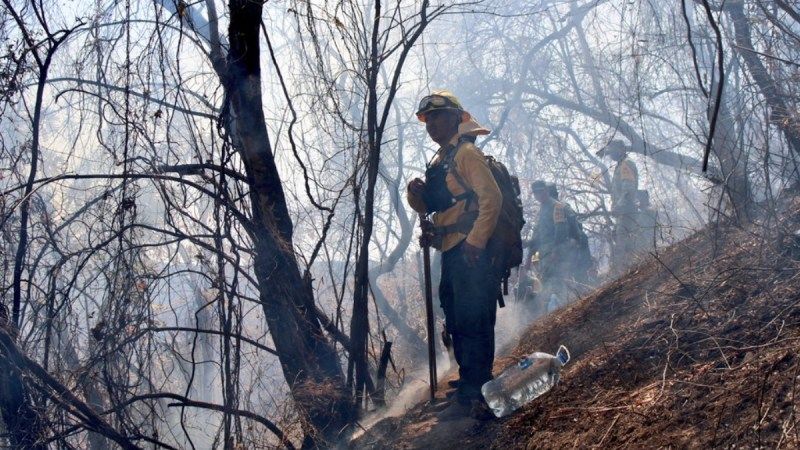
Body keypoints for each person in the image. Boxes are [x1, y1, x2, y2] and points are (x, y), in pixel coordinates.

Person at [406, 90, 502, 420]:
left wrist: (476, 241)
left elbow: (492, 199)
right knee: (456, 318)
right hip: (449, 250)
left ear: (456, 118)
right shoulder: (440, 160)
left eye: (437, 117)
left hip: (470, 249)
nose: (431, 124)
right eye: (427, 119)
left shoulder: (466, 155)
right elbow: (431, 208)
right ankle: (467, 385)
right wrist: (414, 194)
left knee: (474, 317)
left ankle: (479, 389)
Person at [528, 180, 575, 313]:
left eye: (541, 192)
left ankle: (563, 312)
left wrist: (556, 252)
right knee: (547, 285)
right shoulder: (542, 210)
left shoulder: (557, 206)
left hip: (555, 254)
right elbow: (538, 237)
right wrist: (529, 257)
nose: (538, 196)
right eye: (536, 193)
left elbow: (560, 232)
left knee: (558, 284)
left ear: (546, 191)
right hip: (545, 256)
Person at [599, 141, 639, 273]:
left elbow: (628, 189)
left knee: (623, 246)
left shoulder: (625, 164)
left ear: (622, 149)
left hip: (627, 212)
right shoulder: (620, 166)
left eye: (614, 150)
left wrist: (618, 206)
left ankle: (628, 273)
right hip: (624, 213)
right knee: (622, 243)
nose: (611, 155)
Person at [635, 189, 658, 255]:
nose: (638, 201)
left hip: (650, 238)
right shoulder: (639, 211)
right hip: (645, 240)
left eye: (639, 198)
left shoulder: (649, 210)